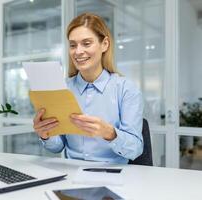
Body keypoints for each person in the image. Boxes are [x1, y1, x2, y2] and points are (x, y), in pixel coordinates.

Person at [33, 13, 143, 164]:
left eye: (86, 43)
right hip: (71, 173)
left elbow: (136, 149)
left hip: (113, 175)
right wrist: (46, 134)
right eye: (73, 45)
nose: (78, 51)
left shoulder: (126, 89)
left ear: (104, 44)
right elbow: (58, 147)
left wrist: (109, 133)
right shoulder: (63, 88)